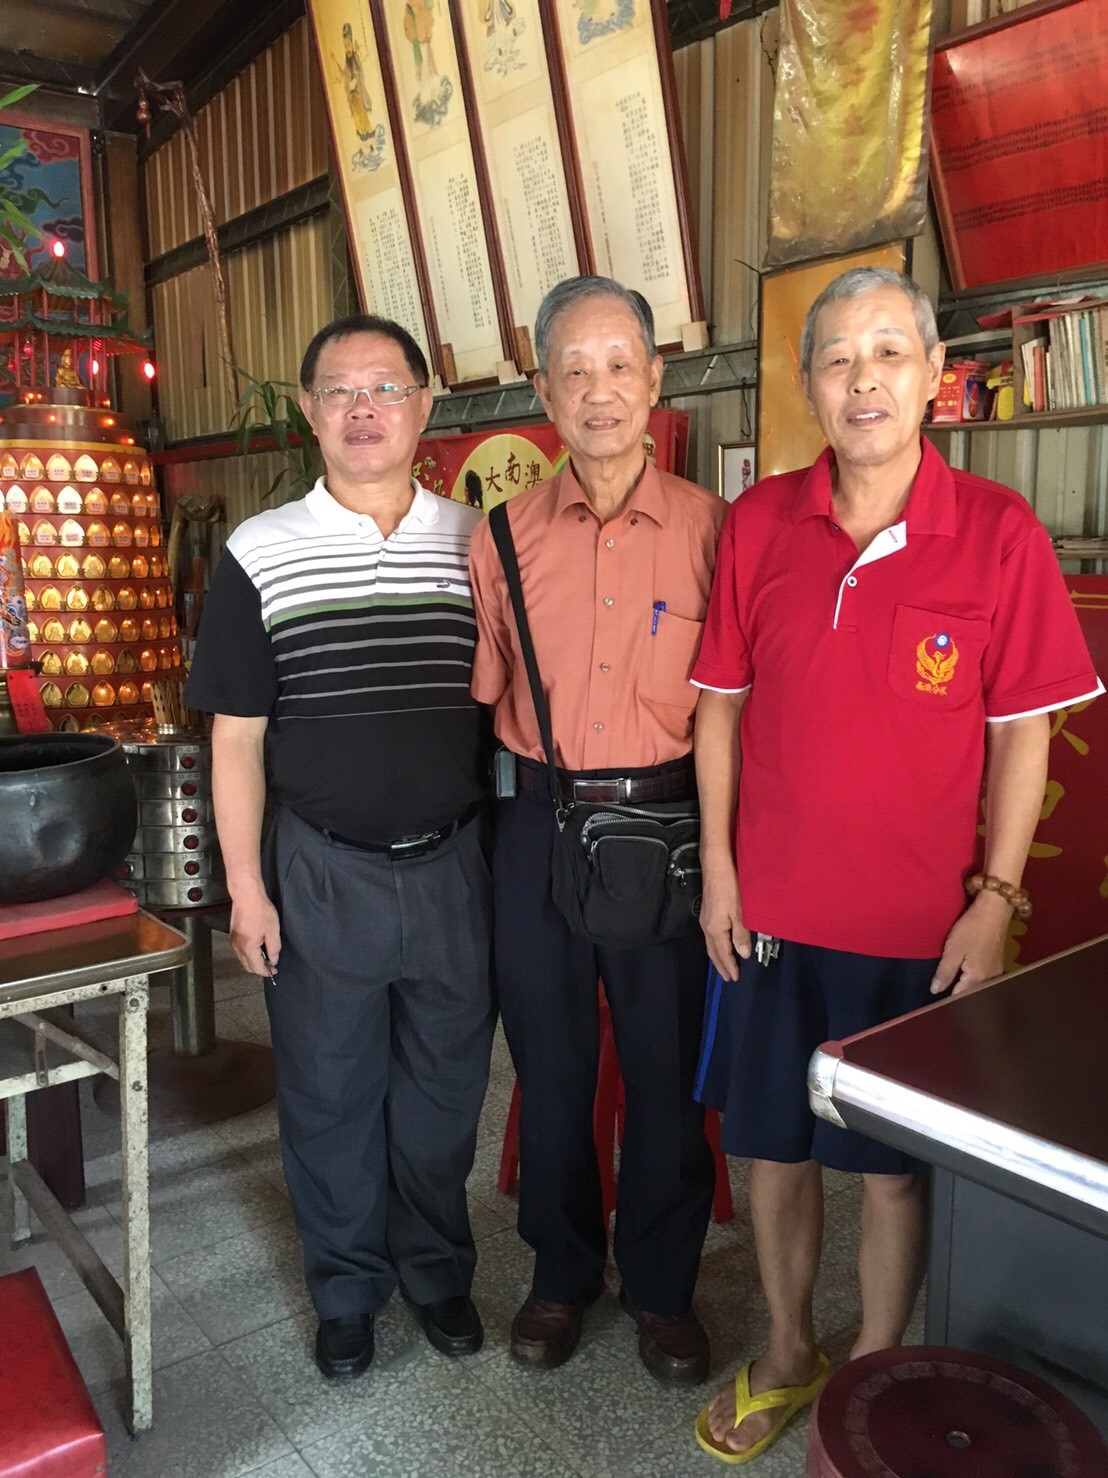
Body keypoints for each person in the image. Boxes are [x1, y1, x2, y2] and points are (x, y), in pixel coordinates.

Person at [690, 266, 1103, 1464]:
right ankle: (785, 1351)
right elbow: (718, 709)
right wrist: (718, 871)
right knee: (770, 1145)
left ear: (932, 377)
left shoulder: (999, 533)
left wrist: (996, 899)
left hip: (916, 928)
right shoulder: (760, 523)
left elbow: (1022, 732)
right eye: (836, 357)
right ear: (809, 384)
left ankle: (872, 1365)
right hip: (769, 912)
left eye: (886, 353)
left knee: (889, 1171)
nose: (861, 378)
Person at [185, 313, 495, 1382]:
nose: (364, 409)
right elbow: (236, 738)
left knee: (445, 1094)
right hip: (320, 869)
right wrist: (245, 887)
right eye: (340, 391)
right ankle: (348, 1289)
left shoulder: (477, 541)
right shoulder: (260, 551)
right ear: (311, 412)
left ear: (423, 405)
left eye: (385, 387)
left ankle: (438, 1269)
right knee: (328, 1096)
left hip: (454, 866)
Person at [468, 275, 725, 1383]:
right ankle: (562, 1272)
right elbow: (485, 695)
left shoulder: (714, 531)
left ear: (655, 378)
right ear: (544, 391)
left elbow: (736, 708)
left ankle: (663, 1290)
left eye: (619, 365)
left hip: (668, 821)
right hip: (538, 821)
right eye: (574, 370)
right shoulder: (501, 537)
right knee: (552, 1067)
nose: (599, 390)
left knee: (667, 1078)